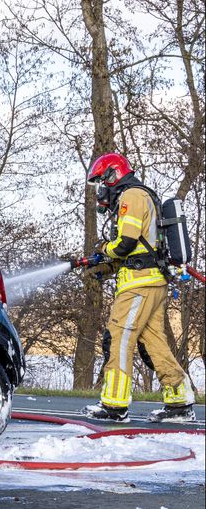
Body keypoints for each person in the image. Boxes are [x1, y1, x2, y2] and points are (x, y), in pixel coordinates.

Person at [81, 153, 196, 423]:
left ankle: (114, 405)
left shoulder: (131, 196)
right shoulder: (141, 195)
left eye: (102, 181)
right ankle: (179, 402)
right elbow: (136, 247)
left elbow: (125, 244)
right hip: (150, 282)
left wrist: (103, 250)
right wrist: (106, 265)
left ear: (113, 174)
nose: (101, 190)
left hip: (139, 285)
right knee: (155, 343)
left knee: (120, 338)